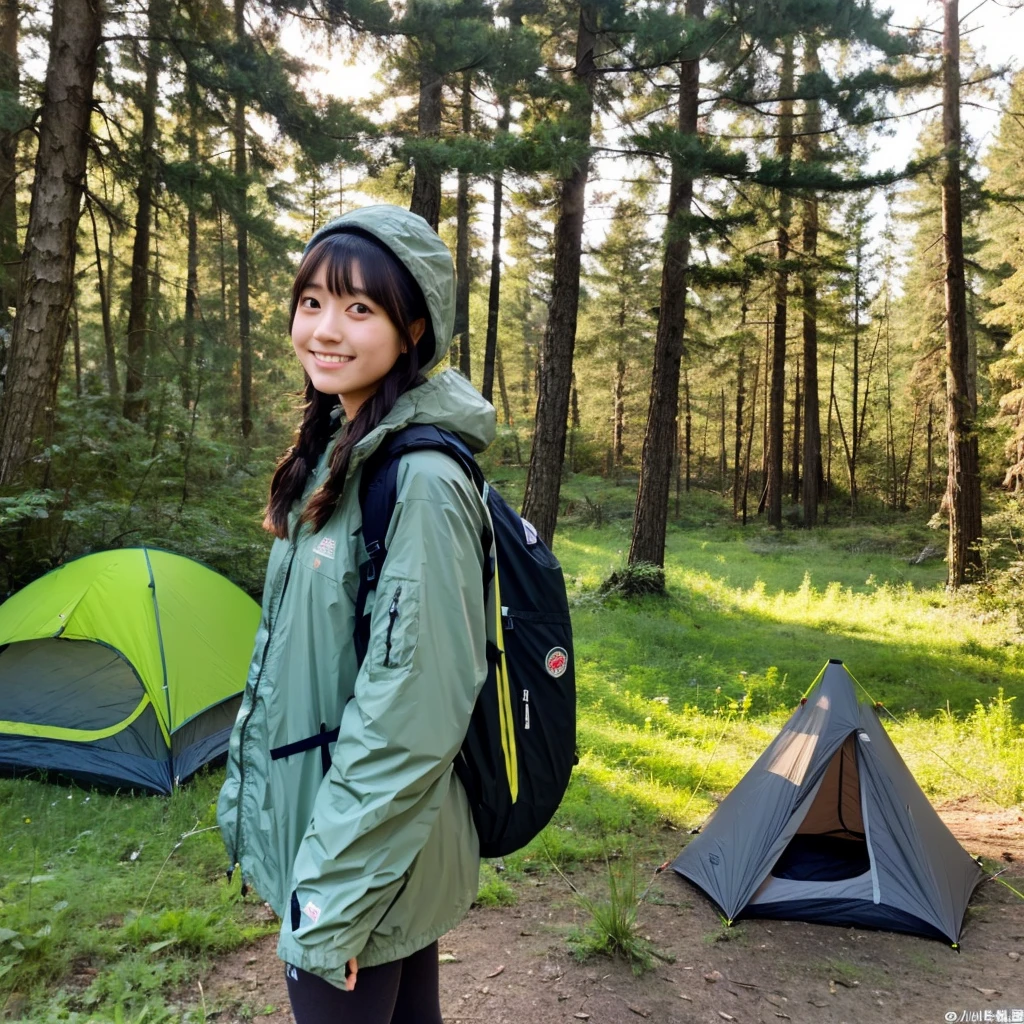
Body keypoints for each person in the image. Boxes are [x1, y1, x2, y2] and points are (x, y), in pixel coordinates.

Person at [216, 205, 495, 1024]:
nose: (325, 329)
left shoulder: (421, 482)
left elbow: (411, 712)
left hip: (363, 853)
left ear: (413, 329)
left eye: (359, 308)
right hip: (361, 838)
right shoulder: (341, 451)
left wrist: (333, 894)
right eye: (311, 302)